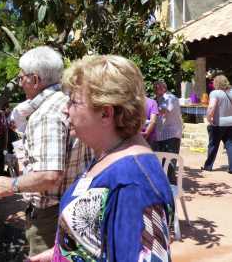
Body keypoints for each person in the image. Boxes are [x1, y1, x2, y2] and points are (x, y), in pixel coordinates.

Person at [29, 55, 174, 262]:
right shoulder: (108, 156)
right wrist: (59, 254)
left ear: (106, 113)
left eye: (73, 101)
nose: (65, 109)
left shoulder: (133, 184)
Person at [0, 46, 91, 256]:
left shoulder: (46, 114)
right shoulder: (67, 103)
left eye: (21, 78)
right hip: (73, 205)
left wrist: (12, 184)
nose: (20, 84)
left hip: (51, 216)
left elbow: (49, 176)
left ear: (35, 80)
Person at [154, 80, 183, 183]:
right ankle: (166, 180)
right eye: (155, 88)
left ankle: (171, 182)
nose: (156, 90)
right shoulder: (160, 99)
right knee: (163, 158)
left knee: (170, 158)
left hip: (171, 133)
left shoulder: (170, 98)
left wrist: (151, 109)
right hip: (163, 134)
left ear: (164, 88)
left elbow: (163, 111)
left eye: (158, 88)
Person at [202, 74, 232, 173]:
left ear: (216, 83)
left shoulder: (215, 93)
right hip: (230, 123)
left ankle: (208, 166)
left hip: (218, 123)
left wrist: (208, 118)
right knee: (230, 145)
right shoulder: (231, 92)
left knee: (213, 145)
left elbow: (211, 107)